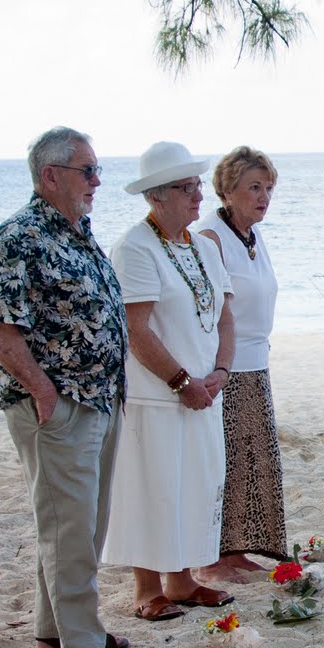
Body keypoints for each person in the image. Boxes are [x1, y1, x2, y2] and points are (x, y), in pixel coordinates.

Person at [0, 127, 130, 648]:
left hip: (102, 398)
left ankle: (55, 627)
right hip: (57, 405)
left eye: (96, 169)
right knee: (69, 524)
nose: (97, 181)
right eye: (87, 171)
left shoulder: (77, 232)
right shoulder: (16, 238)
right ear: (51, 176)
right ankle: (83, 646)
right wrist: (44, 391)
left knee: (84, 523)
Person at [103, 142, 238, 620]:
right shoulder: (135, 247)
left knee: (196, 485)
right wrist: (182, 382)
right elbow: (135, 329)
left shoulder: (202, 246)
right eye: (186, 188)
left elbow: (224, 317)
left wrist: (220, 372)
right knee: (153, 486)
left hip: (205, 391)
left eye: (197, 185)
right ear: (156, 197)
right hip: (156, 395)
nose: (198, 195)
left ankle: (182, 582)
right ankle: (146, 588)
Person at [195, 147, 289, 585]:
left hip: (257, 361)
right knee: (223, 460)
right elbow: (210, 311)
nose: (264, 196)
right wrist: (219, 366)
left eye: (268, 188)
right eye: (254, 187)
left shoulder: (253, 234)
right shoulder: (210, 236)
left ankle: (235, 550)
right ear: (227, 190)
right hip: (224, 364)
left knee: (252, 460)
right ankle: (211, 556)